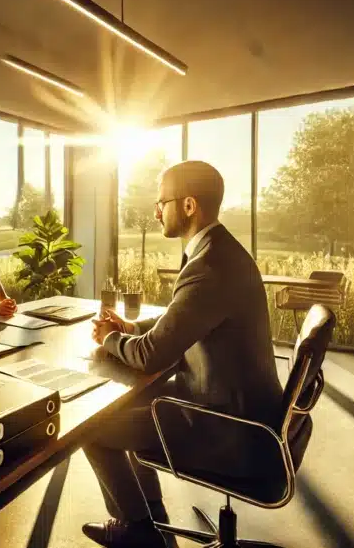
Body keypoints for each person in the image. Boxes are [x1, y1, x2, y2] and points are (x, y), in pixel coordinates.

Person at [81, 161, 284, 548]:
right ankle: (150, 518)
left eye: (162, 202)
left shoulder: (210, 265)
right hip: (238, 409)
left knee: (92, 429)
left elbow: (152, 356)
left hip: (228, 429)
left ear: (189, 206)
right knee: (128, 408)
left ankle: (140, 531)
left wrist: (109, 338)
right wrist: (130, 329)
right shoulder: (218, 251)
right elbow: (182, 322)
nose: (156, 211)